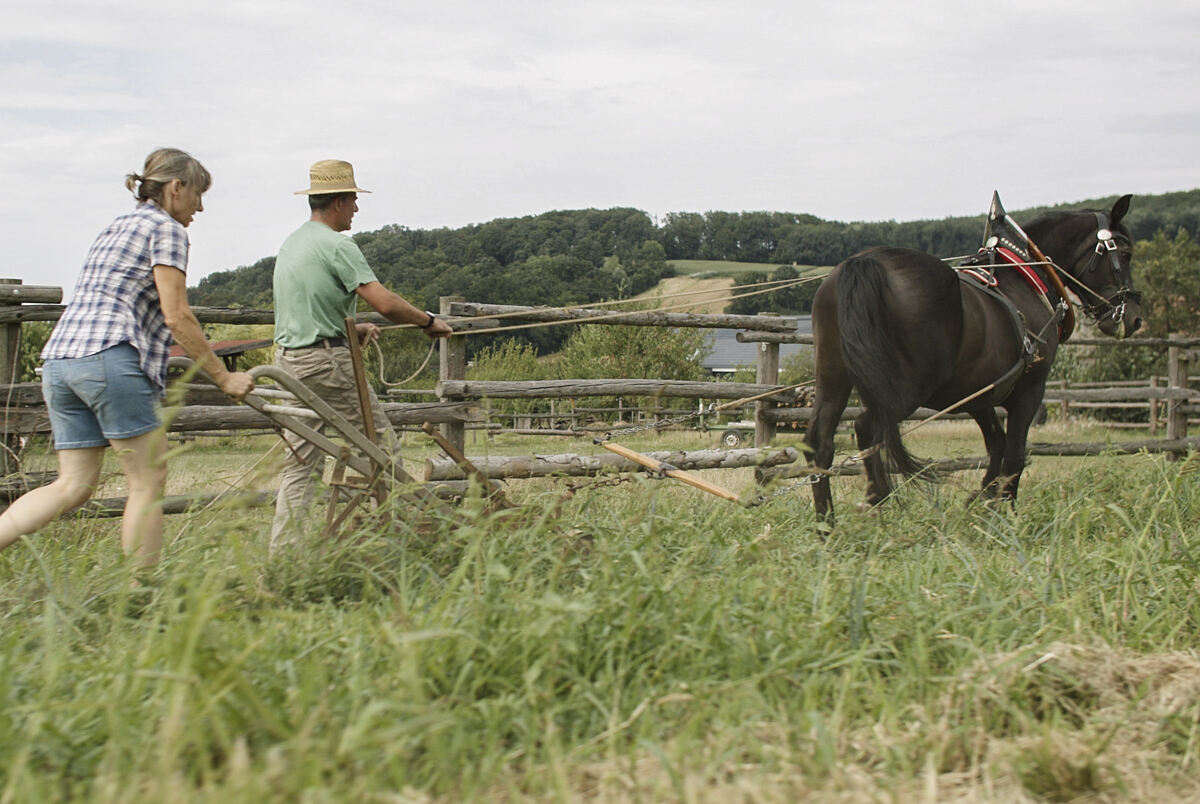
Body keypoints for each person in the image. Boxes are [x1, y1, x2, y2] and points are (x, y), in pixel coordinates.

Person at [0, 148, 255, 568]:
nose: (200, 207)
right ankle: (141, 596)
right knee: (147, 481)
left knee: (73, 485)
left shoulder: (116, 226)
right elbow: (177, 314)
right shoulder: (167, 229)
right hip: (107, 359)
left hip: (62, 362)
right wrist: (222, 378)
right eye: (197, 195)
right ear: (176, 188)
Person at [270, 159, 452, 549]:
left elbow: (307, 308)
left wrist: (351, 327)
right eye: (353, 199)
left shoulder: (293, 243)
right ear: (337, 201)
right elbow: (384, 302)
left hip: (290, 363)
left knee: (301, 464)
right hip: (327, 365)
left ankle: (285, 556)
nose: (356, 208)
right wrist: (427, 322)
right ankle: (387, 542)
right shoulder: (338, 245)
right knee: (380, 447)